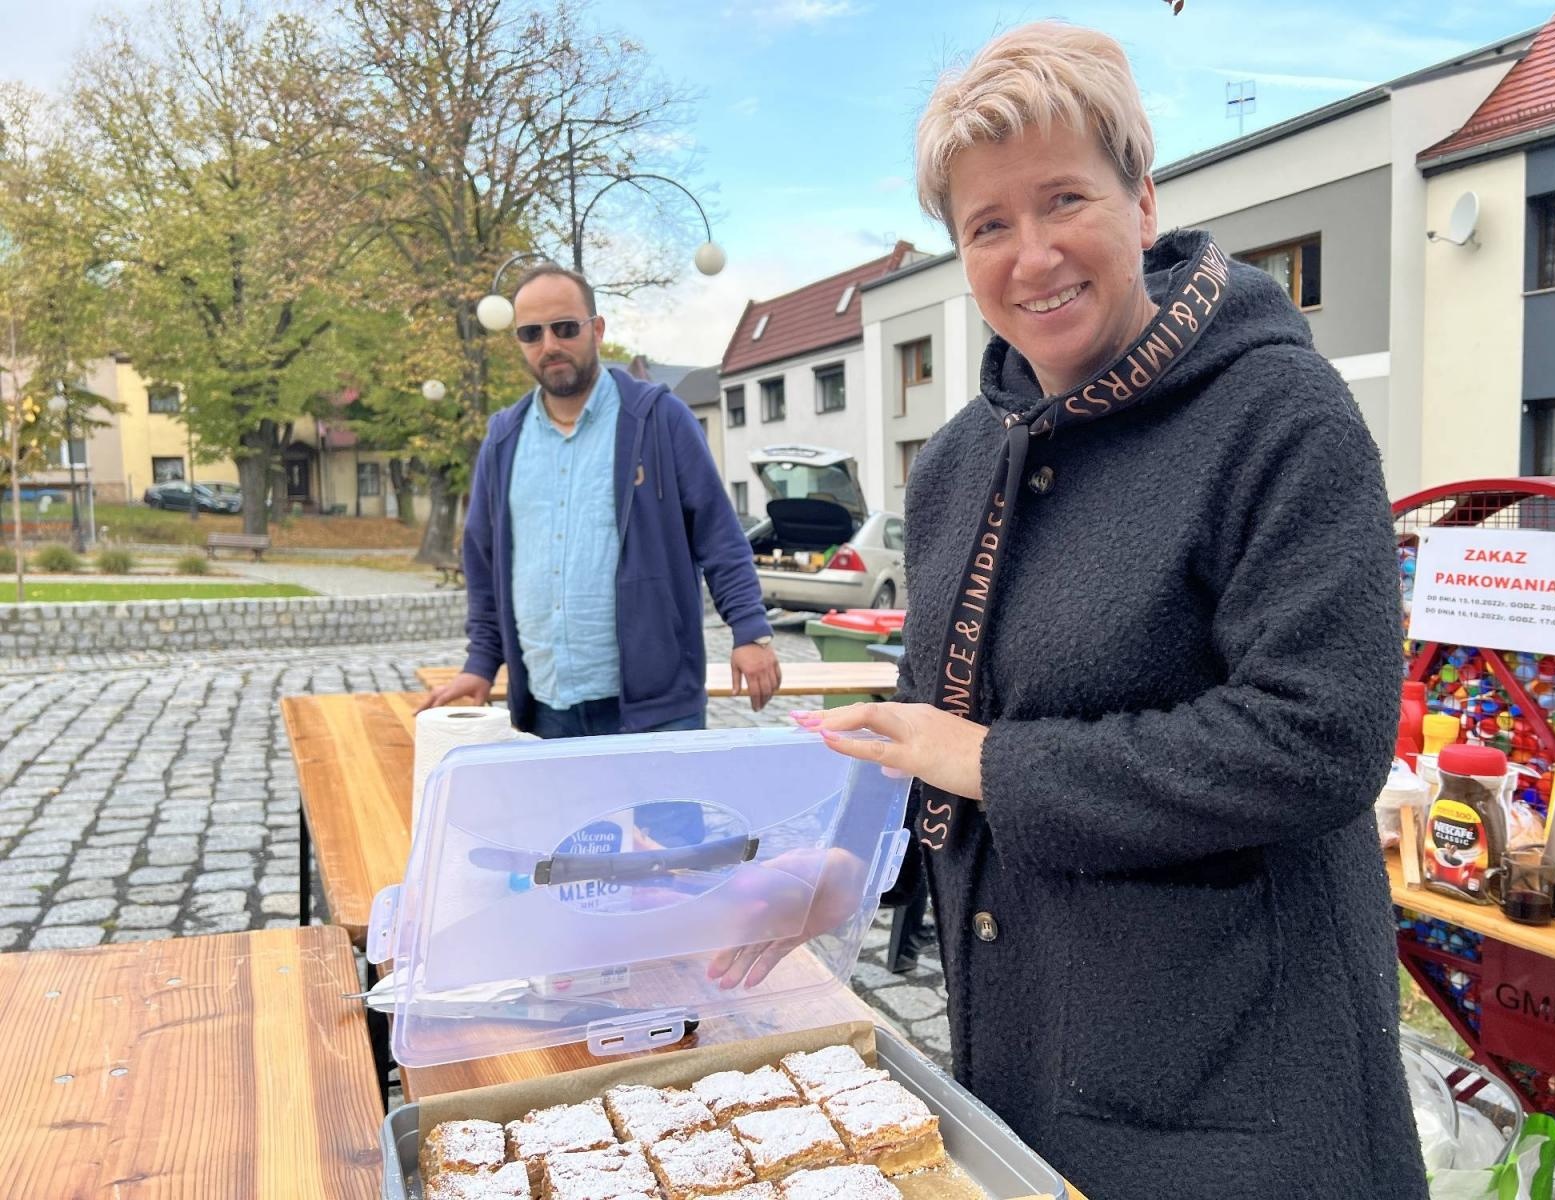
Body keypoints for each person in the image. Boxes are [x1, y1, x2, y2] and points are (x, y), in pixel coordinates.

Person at [794, 22, 1428, 1199]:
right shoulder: (957, 462)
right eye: (987, 225)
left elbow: (1319, 741)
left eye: (1063, 200)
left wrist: (994, 765)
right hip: (1025, 1039)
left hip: (1238, 1084)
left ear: (1143, 202)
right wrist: (834, 847)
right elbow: (954, 726)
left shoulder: (1279, 417)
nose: (1030, 256)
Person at [421, 263, 781, 747]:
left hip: (657, 708)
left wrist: (750, 632)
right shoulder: (503, 439)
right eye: (531, 333)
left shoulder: (658, 420)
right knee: (561, 827)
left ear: (597, 328)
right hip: (546, 709)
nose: (549, 345)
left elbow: (719, 534)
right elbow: (484, 563)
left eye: (565, 328)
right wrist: (482, 664)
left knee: (664, 826)